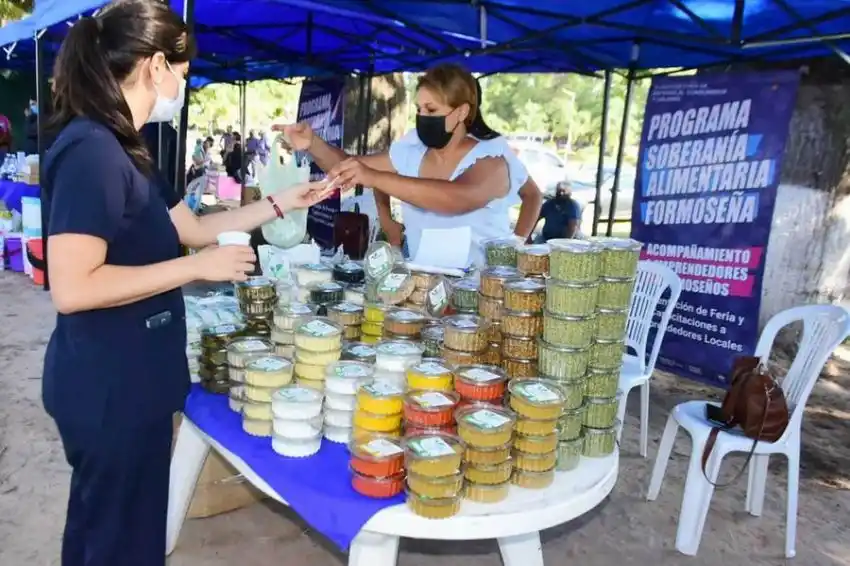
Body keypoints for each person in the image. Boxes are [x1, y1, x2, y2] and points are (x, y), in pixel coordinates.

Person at [41, 2, 333, 565]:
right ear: (155, 65)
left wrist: (278, 204)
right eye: (182, 67)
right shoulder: (92, 152)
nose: (183, 79)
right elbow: (73, 287)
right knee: (117, 543)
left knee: (108, 531)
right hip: (108, 387)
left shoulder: (130, 148)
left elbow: (195, 229)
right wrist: (194, 270)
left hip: (133, 380)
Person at [278, 63, 542, 266]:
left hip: (478, 293)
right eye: (418, 109)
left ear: (461, 112)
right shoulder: (412, 148)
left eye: (431, 110)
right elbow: (348, 167)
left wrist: (516, 243)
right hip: (424, 285)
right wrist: (313, 143)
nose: (422, 117)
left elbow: (457, 198)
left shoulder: (491, 158)